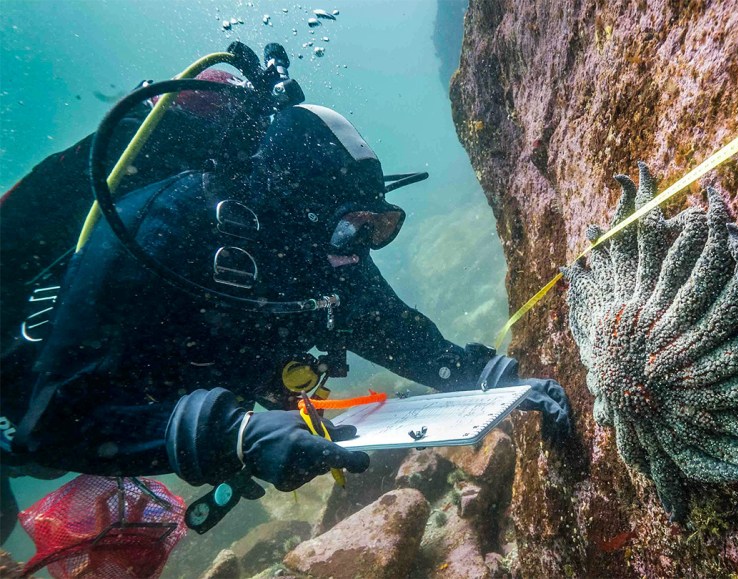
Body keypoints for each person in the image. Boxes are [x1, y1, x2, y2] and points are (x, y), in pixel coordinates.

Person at [0, 93, 571, 542]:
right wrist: (235, 436)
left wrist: (487, 379)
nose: (359, 250)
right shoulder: (161, 228)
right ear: (287, 209)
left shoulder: (320, 251)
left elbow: (390, 328)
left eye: (377, 227)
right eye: (351, 227)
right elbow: (51, 424)